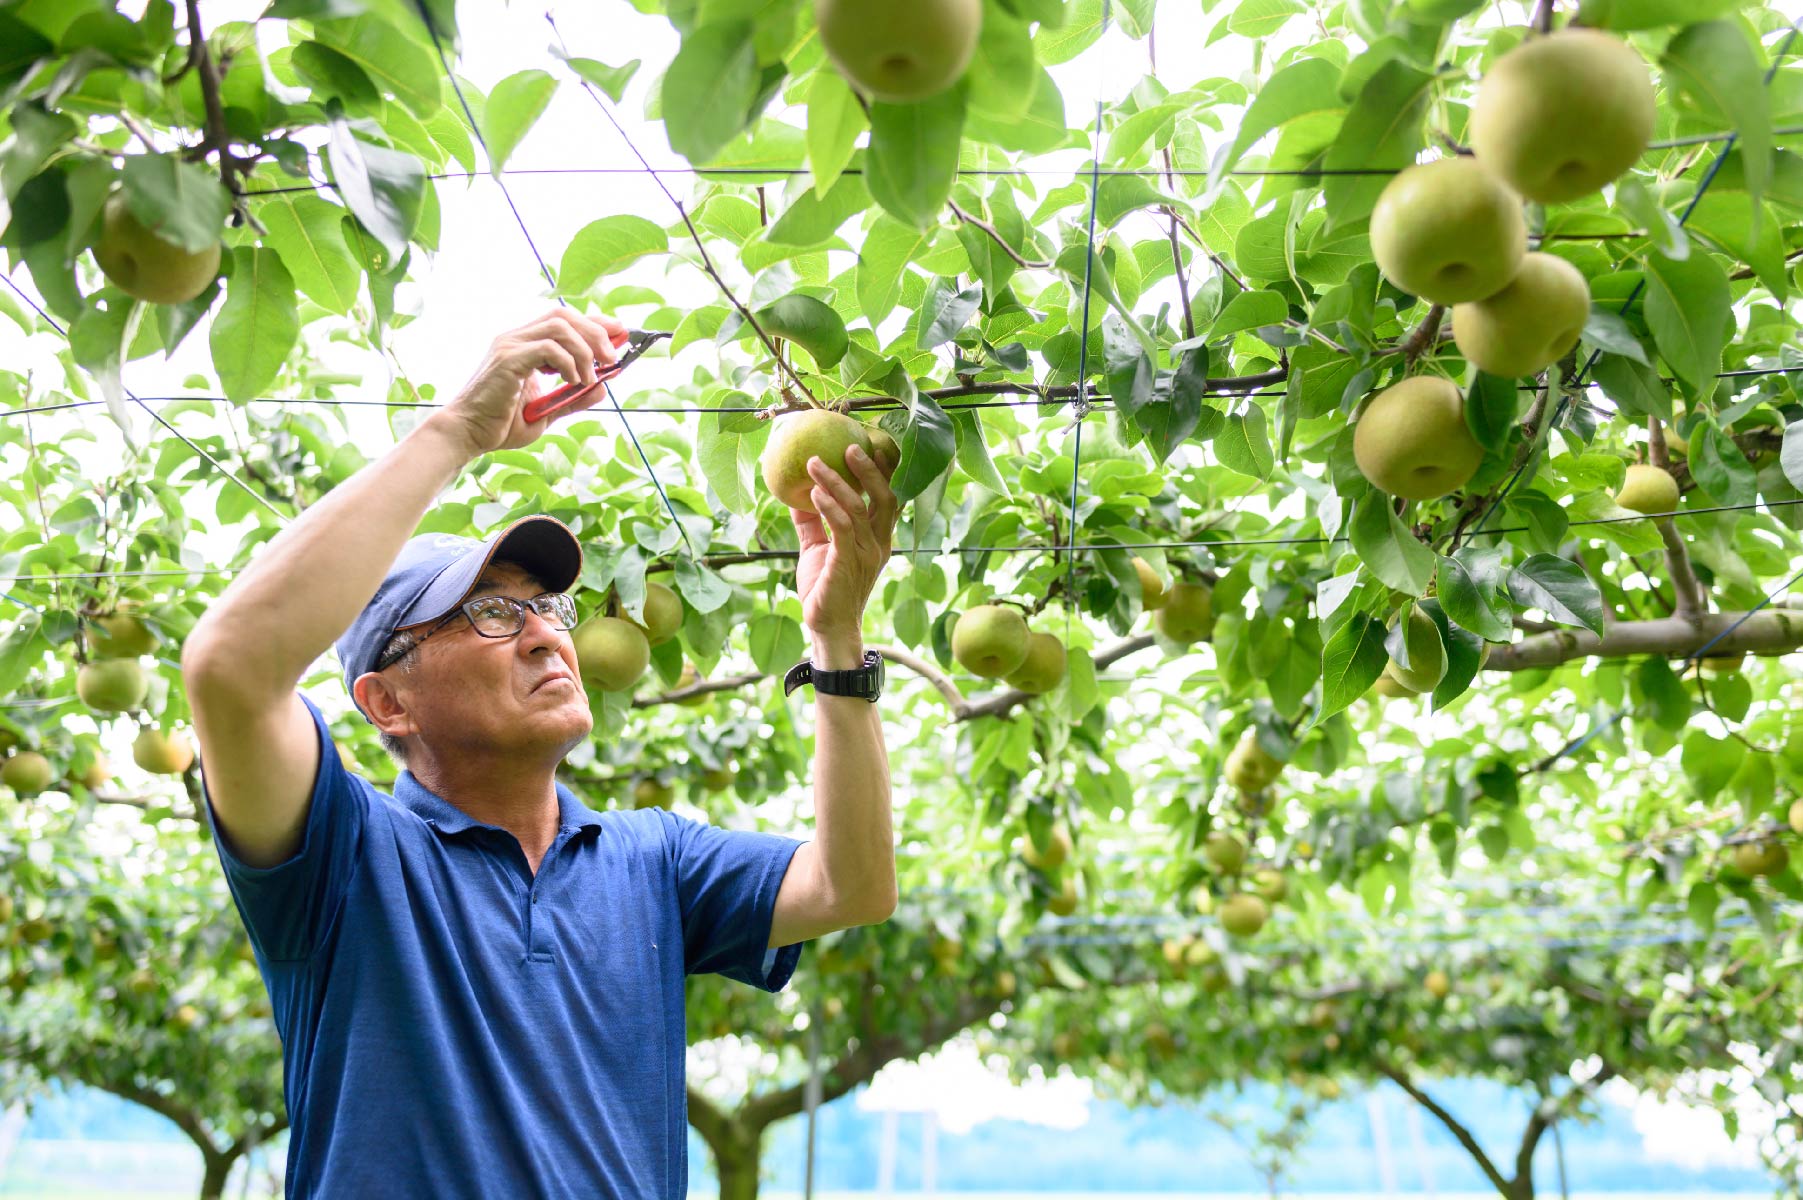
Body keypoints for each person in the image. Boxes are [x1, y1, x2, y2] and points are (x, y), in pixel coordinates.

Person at [179, 309, 900, 1197]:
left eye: (547, 607)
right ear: (385, 701)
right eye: (489, 613)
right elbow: (228, 668)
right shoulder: (342, 857)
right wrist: (457, 432)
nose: (545, 638)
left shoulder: (651, 861)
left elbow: (851, 885)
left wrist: (834, 639)